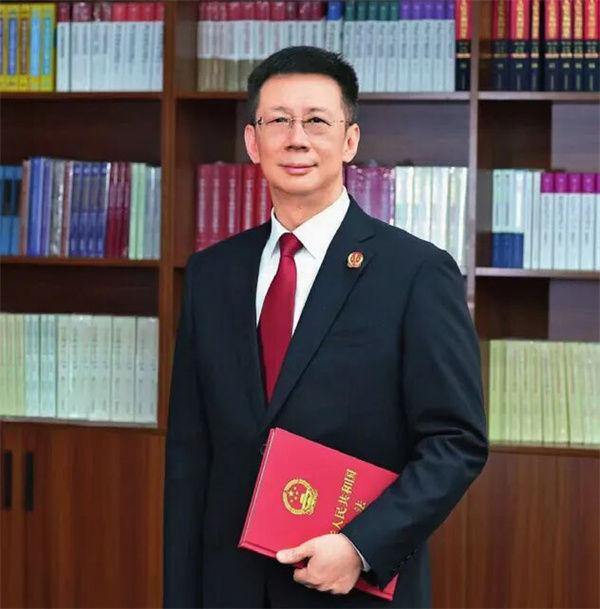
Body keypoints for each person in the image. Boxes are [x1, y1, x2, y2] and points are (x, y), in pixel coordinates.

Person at [163, 46, 488, 609]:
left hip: (350, 586)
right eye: (278, 121)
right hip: (229, 586)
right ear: (252, 142)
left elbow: (456, 441)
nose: (297, 139)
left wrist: (361, 546)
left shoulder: (415, 271)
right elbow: (190, 456)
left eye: (316, 120)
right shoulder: (212, 274)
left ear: (350, 140)